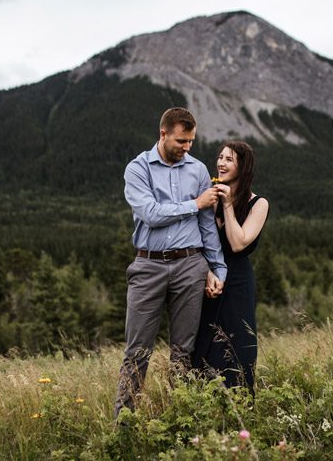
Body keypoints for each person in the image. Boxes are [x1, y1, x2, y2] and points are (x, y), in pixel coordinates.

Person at [113, 107, 227, 417]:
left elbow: (206, 225)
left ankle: (181, 419)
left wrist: (217, 268)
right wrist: (194, 203)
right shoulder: (137, 169)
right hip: (148, 266)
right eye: (181, 141)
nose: (187, 147)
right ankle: (124, 427)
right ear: (163, 134)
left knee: (183, 352)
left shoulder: (199, 170)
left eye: (191, 141)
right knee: (137, 351)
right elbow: (149, 214)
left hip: (191, 265)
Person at [193, 140, 269, 392]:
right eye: (220, 157)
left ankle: (239, 405)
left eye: (229, 159)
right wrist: (207, 274)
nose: (221, 163)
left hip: (237, 284)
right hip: (208, 280)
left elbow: (238, 244)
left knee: (237, 347)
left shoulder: (258, 204)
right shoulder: (208, 197)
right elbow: (197, 242)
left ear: (243, 166)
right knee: (203, 344)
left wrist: (227, 205)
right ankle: (199, 405)